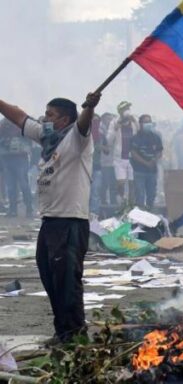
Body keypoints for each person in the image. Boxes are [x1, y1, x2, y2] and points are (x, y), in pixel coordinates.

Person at [0, 92, 101, 343]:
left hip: (70, 221)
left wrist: (89, 107)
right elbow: (20, 117)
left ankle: (75, 334)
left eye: (50, 115)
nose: (44, 119)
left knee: (67, 281)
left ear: (64, 119)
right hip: (50, 221)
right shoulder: (48, 138)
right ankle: (63, 330)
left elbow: (84, 123)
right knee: (49, 275)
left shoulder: (77, 139)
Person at [0, 118, 33, 217]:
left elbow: (29, 141)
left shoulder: (21, 125)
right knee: (11, 186)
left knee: (23, 184)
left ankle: (28, 208)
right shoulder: (3, 125)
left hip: (19, 158)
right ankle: (14, 209)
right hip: (8, 158)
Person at [107, 101, 139, 206]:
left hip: (132, 158)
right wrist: (116, 128)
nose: (128, 110)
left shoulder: (134, 120)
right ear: (120, 111)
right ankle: (121, 201)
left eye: (129, 108)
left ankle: (131, 204)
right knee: (120, 183)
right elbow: (109, 141)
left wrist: (135, 121)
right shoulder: (114, 122)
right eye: (125, 108)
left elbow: (139, 134)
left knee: (132, 183)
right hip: (119, 158)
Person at [130, 114, 163, 211]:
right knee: (140, 194)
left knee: (151, 194)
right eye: (145, 122)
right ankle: (140, 213)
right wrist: (145, 163)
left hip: (152, 171)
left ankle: (150, 213)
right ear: (140, 124)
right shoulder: (135, 138)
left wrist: (154, 160)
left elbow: (159, 151)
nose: (148, 124)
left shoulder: (156, 137)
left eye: (149, 122)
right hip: (139, 171)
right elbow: (133, 153)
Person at [99, 112, 117, 206]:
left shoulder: (114, 129)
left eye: (111, 119)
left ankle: (114, 202)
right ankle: (104, 202)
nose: (109, 121)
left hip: (114, 161)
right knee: (104, 183)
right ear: (102, 120)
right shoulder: (100, 131)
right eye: (107, 119)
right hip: (104, 162)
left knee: (113, 183)